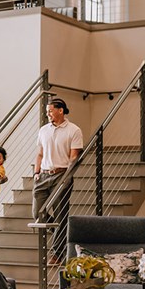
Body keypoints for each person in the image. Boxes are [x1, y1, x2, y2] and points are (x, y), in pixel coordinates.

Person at [32, 98, 84, 262]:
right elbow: (39, 153)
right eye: (47, 111)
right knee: (37, 213)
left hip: (61, 174)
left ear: (60, 110)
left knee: (61, 213)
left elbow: (74, 157)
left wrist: (67, 176)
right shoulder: (43, 130)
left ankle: (56, 252)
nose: (48, 114)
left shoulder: (74, 130)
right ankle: (63, 232)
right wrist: (36, 172)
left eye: (50, 110)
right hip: (43, 176)